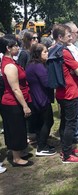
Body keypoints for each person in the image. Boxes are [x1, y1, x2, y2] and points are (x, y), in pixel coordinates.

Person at [53, 24, 78, 163]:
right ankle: (67, 155)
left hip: (61, 91)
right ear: (60, 37)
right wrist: (75, 69)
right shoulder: (64, 52)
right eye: (68, 35)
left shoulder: (54, 50)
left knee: (64, 122)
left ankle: (65, 148)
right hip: (69, 91)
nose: (71, 36)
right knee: (70, 123)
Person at [0, 35, 33, 167]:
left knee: (19, 128)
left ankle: (20, 152)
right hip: (12, 103)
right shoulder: (9, 66)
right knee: (15, 129)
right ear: (8, 48)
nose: (18, 48)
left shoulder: (11, 61)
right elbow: (15, 89)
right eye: (15, 46)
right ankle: (16, 158)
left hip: (15, 102)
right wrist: (25, 106)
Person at [25, 43, 56, 156]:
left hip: (35, 97)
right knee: (48, 121)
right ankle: (41, 147)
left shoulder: (31, 64)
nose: (47, 53)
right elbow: (47, 82)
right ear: (38, 54)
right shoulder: (38, 66)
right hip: (41, 98)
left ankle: (41, 143)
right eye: (45, 52)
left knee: (40, 122)